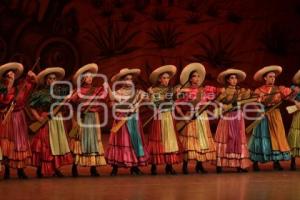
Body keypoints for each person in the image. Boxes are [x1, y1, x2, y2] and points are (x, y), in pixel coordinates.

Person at [29, 67, 73, 177]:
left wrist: (65, 101)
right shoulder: (40, 93)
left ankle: (56, 168)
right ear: (46, 80)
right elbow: (32, 107)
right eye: (49, 78)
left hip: (57, 120)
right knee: (45, 144)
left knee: (56, 144)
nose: (52, 81)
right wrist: (38, 118)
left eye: (54, 79)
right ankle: (40, 168)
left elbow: (65, 105)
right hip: (45, 120)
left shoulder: (59, 92)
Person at [248, 65, 293, 171]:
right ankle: (255, 162)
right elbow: (254, 103)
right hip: (263, 115)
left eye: (274, 77)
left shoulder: (279, 89)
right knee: (260, 137)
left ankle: (276, 162)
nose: (273, 78)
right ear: (265, 78)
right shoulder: (259, 90)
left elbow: (292, 95)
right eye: (270, 76)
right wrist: (259, 110)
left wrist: (295, 97)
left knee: (276, 137)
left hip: (275, 115)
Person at [105, 68, 149, 176]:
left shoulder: (138, 93)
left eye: (130, 79)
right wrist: (107, 89)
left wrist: (147, 96)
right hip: (121, 120)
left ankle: (134, 167)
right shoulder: (118, 93)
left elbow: (149, 99)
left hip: (133, 120)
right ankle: (115, 167)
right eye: (126, 79)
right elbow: (111, 100)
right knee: (120, 142)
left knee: (134, 142)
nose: (128, 81)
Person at [175, 63, 216, 174]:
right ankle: (185, 165)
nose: (196, 78)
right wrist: (183, 117)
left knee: (201, 141)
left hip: (202, 117)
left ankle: (199, 165)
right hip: (190, 116)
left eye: (198, 76)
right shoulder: (184, 91)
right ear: (190, 79)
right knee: (189, 142)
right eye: (194, 76)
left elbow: (216, 92)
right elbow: (176, 104)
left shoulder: (205, 90)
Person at [69, 63, 107, 177]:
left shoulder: (96, 90)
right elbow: (72, 105)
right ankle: (74, 166)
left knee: (93, 141)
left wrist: (106, 87)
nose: (90, 78)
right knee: (80, 141)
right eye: (87, 76)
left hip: (93, 118)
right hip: (83, 118)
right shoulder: (78, 91)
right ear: (83, 78)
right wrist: (73, 120)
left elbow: (105, 98)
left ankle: (93, 168)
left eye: (91, 76)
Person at [0, 62, 37, 179]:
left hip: (19, 117)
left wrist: (31, 77)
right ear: (5, 78)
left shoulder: (20, 87)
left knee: (19, 143)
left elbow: (33, 84)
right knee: (8, 144)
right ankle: (6, 170)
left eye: (12, 76)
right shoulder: (3, 90)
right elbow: (3, 103)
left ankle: (21, 170)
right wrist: (7, 89)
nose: (11, 78)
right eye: (8, 76)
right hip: (8, 117)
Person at [214, 69, 252, 173]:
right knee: (226, 137)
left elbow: (247, 100)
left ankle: (239, 164)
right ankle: (220, 163)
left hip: (238, 116)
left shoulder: (241, 91)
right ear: (227, 80)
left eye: (235, 78)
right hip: (227, 116)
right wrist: (225, 106)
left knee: (238, 138)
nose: (234, 80)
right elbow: (216, 101)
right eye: (232, 78)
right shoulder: (224, 91)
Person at [147, 65, 182, 175]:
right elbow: (152, 106)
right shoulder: (154, 90)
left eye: (168, 78)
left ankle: (169, 165)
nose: (166, 80)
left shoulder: (171, 90)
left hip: (169, 117)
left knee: (169, 139)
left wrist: (177, 94)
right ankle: (154, 165)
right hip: (159, 117)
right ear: (159, 79)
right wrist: (152, 96)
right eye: (164, 78)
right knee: (158, 139)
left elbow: (173, 102)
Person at [288, 70, 300, 170]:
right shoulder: (295, 88)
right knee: (295, 133)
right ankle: (293, 160)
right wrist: (296, 102)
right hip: (298, 113)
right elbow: (289, 98)